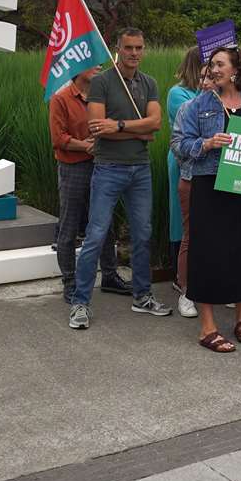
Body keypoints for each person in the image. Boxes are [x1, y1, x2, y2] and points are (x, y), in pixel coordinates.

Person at [172, 47, 241, 352]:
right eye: (212, 64)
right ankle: (207, 328)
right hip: (208, 186)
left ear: (236, 69)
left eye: (219, 64)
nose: (213, 69)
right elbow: (179, 144)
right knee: (207, 254)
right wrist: (206, 144)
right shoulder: (197, 105)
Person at [71, 28, 172, 329]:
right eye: (128, 48)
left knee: (143, 234)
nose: (134, 53)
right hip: (108, 168)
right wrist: (136, 129)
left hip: (139, 169)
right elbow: (96, 128)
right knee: (96, 235)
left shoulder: (149, 83)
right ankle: (80, 302)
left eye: (139, 47)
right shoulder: (101, 82)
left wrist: (118, 125)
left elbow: (156, 125)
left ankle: (142, 296)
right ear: (118, 49)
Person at [49, 65, 124, 304]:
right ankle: (70, 282)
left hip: (102, 165)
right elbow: (58, 138)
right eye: (93, 64)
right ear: (78, 69)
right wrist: (85, 145)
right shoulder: (61, 99)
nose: (99, 67)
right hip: (73, 168)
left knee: (105, 223)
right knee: (69, 226)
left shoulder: (101, 97)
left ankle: (110, 276)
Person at [167, 48, 207, 317]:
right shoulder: (178, 94)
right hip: (187, 164)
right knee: (185, 223)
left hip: (211, 167)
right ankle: (182, 282)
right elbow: (192, 129)